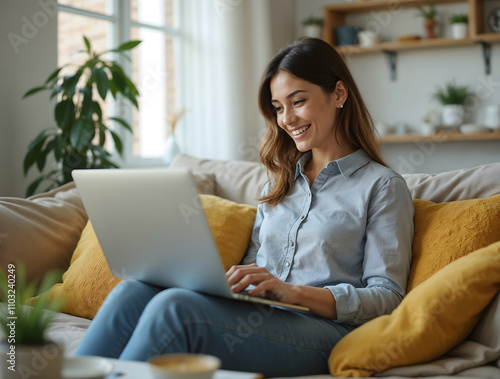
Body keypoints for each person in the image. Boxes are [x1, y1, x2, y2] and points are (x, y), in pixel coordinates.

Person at [74, 38, 414, 377]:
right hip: (260, 315)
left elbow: (386, 297)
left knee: (175, 309)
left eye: (298, 101)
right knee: (135, 290)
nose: (287, 119)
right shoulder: (278, 186)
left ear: (338, 94)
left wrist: (295, 293)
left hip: (324, 331)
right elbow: (255, 265)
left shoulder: (382, 186)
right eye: (278, 107)